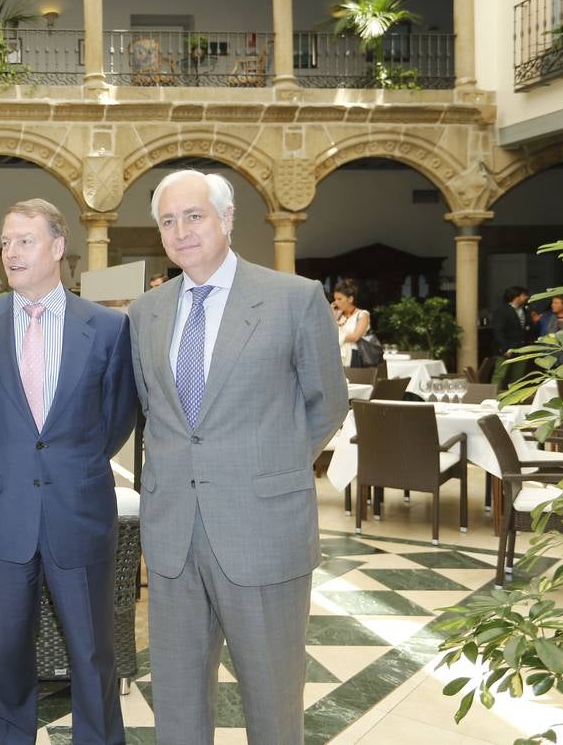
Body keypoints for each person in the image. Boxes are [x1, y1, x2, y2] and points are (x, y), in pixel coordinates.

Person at [129, 169, 347, 745]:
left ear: (226, 220)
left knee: (272, 700)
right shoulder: (144, 313)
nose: (180, 230)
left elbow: (326, 404)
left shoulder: (293, 300)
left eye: (193, 215)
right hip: (174, 533)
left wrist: (264, 470)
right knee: (176, 700)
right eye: (168, 221)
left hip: (262, 528)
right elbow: (155, 410)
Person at [0, 199, 137, 744]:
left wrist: (69, 463)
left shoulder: (107, 328)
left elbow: (117, 417)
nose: (10, 252)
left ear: (58, 248)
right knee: (6, 656)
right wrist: (13, 463)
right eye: (6, 241)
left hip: (78, 512)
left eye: (24, 241)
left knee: (91, 654)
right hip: (4, 510)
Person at [489, 286, 534, 387]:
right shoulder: (502, 311)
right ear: (516, 296)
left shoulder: (526, 310)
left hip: (522, 348)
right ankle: (493, 398)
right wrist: (504, 348)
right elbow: (498, 331)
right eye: (524, 295)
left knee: (518, 377)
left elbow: (528, 328)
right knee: (500, 374)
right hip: (506, 348)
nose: (526, 297)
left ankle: (514, 398)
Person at [332, 281, 371, 367]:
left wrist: (336, 338)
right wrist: (331, 315)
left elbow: (355, 336)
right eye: (335, 299)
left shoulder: (362, 315)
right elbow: (327, 333)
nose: (336, 302)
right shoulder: (337, 315)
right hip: (336, 355)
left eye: (339, 299)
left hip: (354, 356)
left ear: (350, 299)